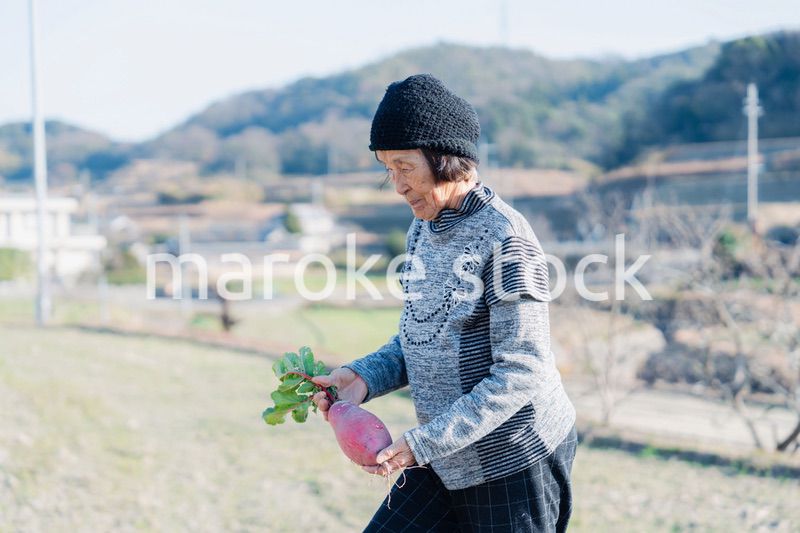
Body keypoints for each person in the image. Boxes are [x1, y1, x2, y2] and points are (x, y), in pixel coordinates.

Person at [311, 74, 577, 532]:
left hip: (512, 458)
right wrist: (361, 379)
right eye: (386, 169)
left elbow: (522, 369)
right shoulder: (424, 230)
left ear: (447, 159)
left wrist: (425, 442)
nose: (396, 185)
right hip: (444, 454)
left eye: (404, 166)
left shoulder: (507, 239)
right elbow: (421, 333)